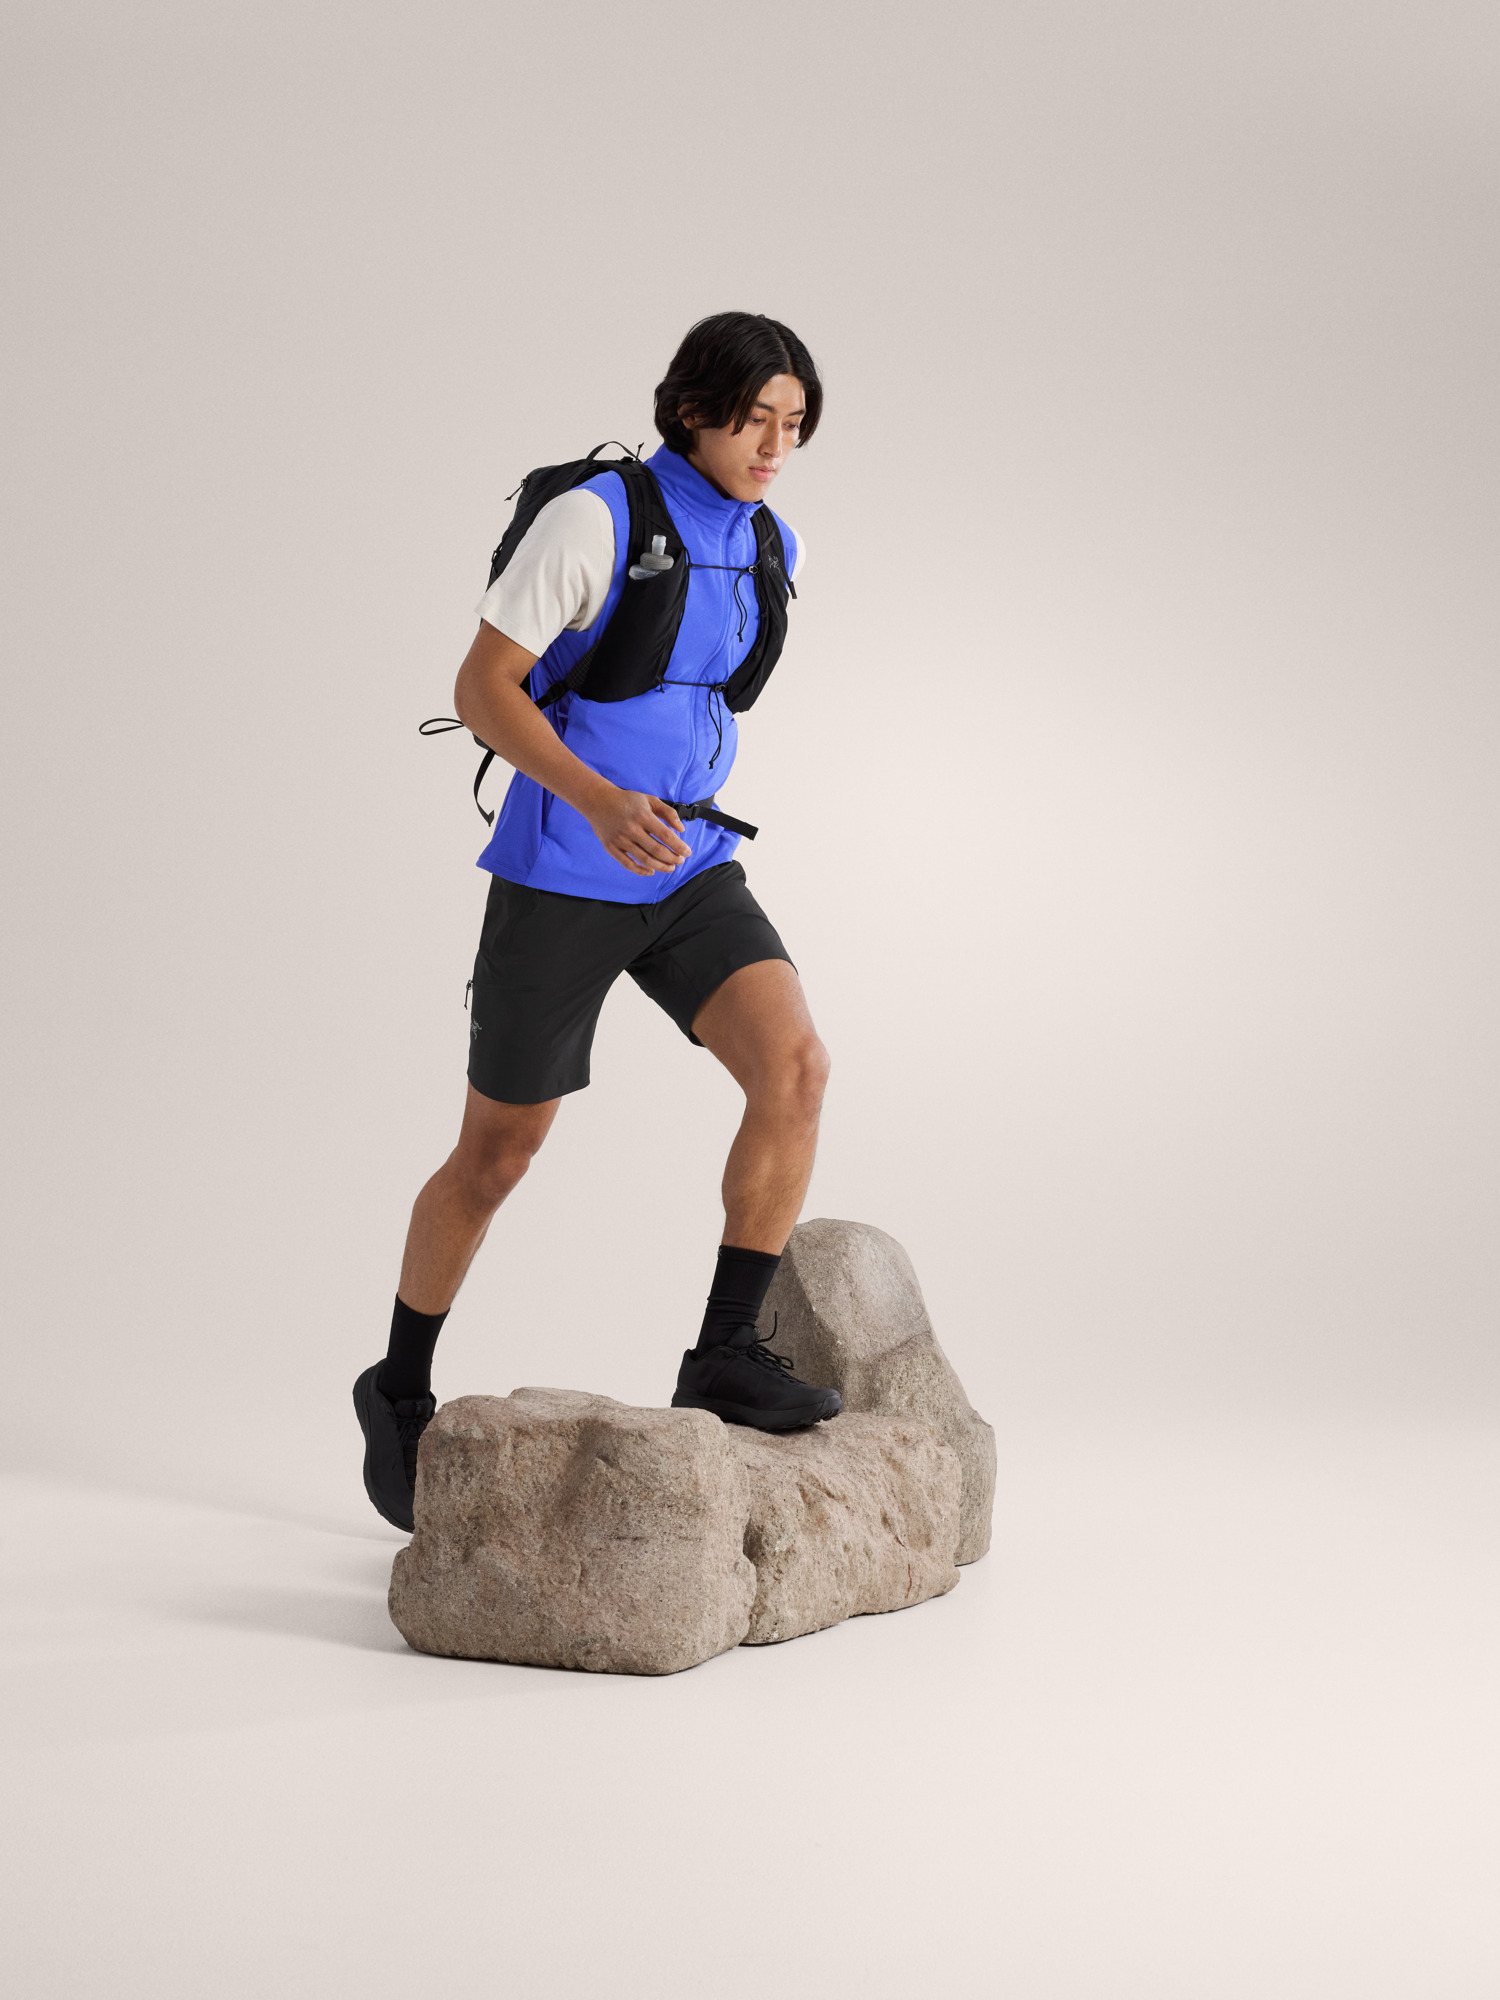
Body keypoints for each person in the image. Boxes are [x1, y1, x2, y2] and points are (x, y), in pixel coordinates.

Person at [353, 312, 841, 1532]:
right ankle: (398, 1386)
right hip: (568, 867)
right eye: (755, 419)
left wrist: (652, 813)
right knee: (497, 1154)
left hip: (687, 863)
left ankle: (722, 1351)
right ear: (693, 409)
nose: (775, 446)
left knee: (794, 1065)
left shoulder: (768, 538)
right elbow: (481, 689)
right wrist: (599, 800)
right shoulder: (597, 519)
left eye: (794, 425)